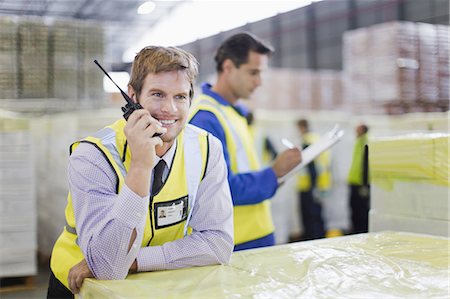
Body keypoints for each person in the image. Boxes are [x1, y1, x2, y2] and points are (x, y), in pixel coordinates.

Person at [47, 46, 234, 298]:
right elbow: (108, 266)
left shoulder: (207, 147)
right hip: (82, 289)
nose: (170, 109)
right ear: (133, 97)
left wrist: (136, 260)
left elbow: (218, 244)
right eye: (157, 94)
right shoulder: (92, 156)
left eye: (180, 97)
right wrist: (140, 166)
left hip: (159, 284)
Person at [189, 32, 301, 251]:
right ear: (228, 67)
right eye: (253, 72)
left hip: (255, 235)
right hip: (236, 242)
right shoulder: (206, 118)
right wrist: (273, 173)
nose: (259, 82)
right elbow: (220, 190)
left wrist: (275, 177)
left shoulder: (233, 113)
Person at [296, 119, 331, 240]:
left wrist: (313, 187)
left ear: (301, 127)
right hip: (320, 185)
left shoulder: (307, 141)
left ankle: (312, 243)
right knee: (318, 218)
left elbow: (312, 167)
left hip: (309, 187)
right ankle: (319, 241)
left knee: (310, 219)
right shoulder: (317, 138)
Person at [347, 123, 370, 234]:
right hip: (355, 182)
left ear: (362, 130)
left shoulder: (365, 142)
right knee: (355, 210)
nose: (355, 131)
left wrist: (364, 185)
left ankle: (360, 233)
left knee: (360, 211)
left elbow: (365, 164)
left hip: (360, 184)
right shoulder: (359, 141)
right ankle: (357, 232)